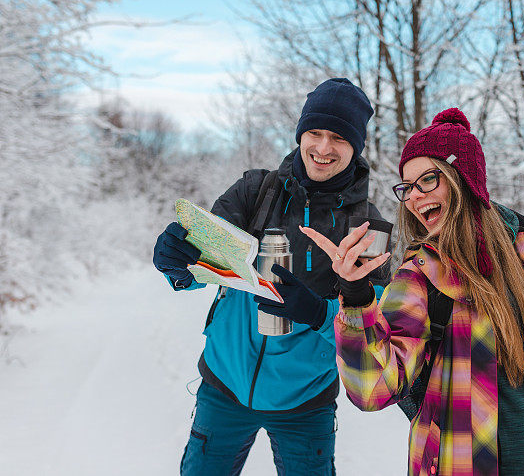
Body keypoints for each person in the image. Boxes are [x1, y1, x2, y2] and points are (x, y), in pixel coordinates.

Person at [299, 108, 524, 476]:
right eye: (407, 187)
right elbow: (373, 388)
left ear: (463, 178)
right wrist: (357, 296)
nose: (414, 197)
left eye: (428, 179)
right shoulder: (420, 275)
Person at [152, 78, 390, 476]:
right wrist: (178, 264)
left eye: (338, 138)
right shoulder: (255, 191)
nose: (324, 147)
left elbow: (373, 329)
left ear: (356, 146)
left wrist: (318, 312)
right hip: (223, 386)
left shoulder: (368, 228)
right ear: (301, 134)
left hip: (306, 402)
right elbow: (206, 264)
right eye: (315, 132)